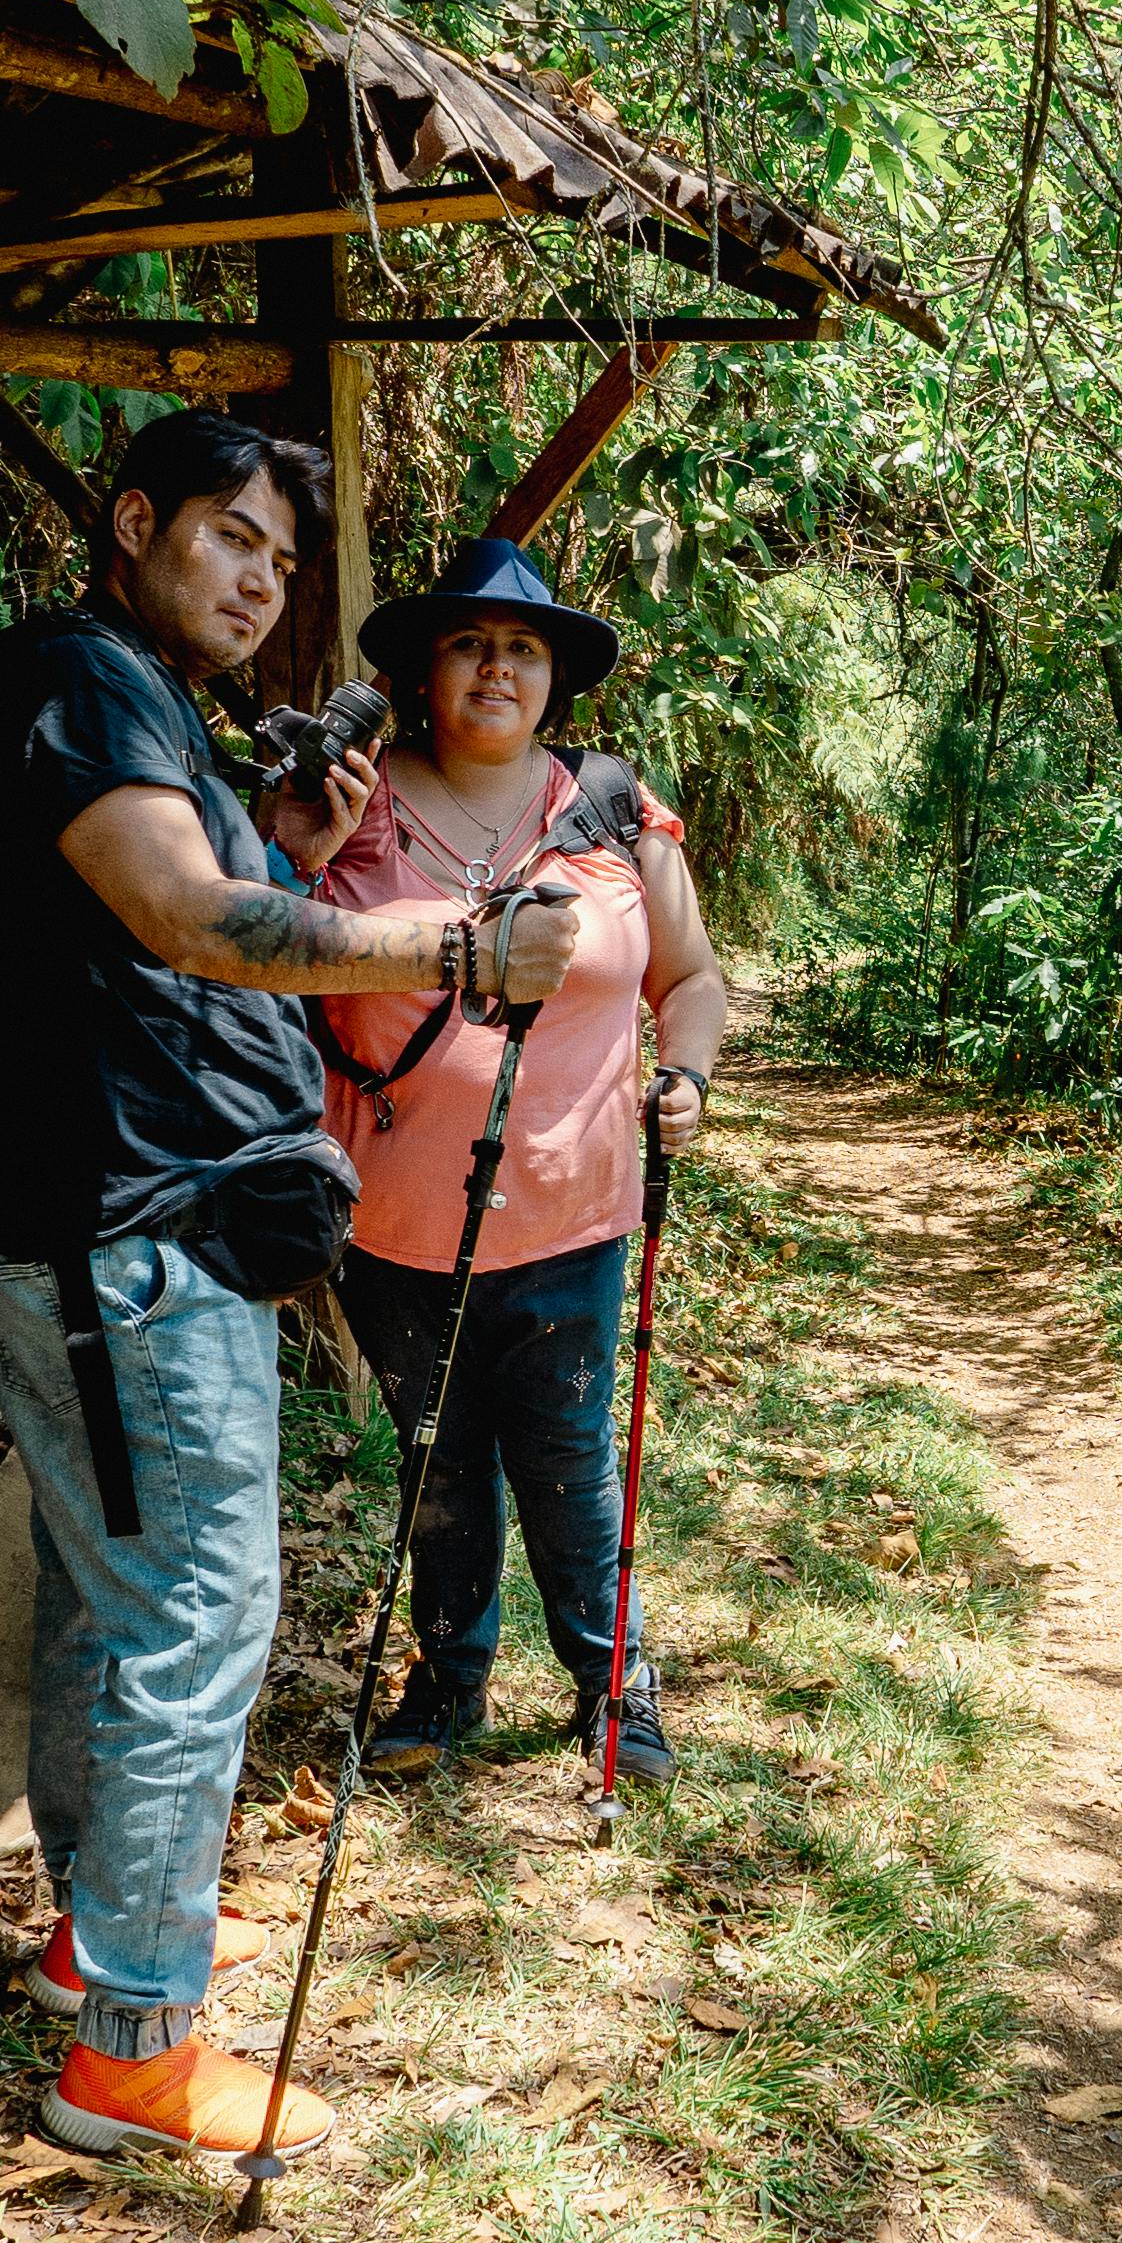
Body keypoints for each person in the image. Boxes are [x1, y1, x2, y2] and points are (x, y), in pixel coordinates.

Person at [0, 414, 574, 2159]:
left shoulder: (124, 706)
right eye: (227, 538)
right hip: (121, 1236)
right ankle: (134, 2052)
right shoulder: (76, 684)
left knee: (112, 1595)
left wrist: (277, 840)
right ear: (135, 523)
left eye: (281, 561)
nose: (258, 580)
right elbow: (195, 929)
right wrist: (458, 941)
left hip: (110, 1228)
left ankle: (98, 1951)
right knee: (196, 1608)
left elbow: (190, 930)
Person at [306, 536, 727, 1778]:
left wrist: (687, 1076)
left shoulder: (608, 809)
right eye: (471, 644)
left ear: (555, 679)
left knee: (569, 1464)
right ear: (426, 672)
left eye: (525, 648)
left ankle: (612, 1684)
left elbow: (691, 976)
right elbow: (269, 950)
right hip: (393, 1221)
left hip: (574, 1217)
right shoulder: (352, 805)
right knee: (437, 1456)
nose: (498, 667)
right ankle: (449, 1680)